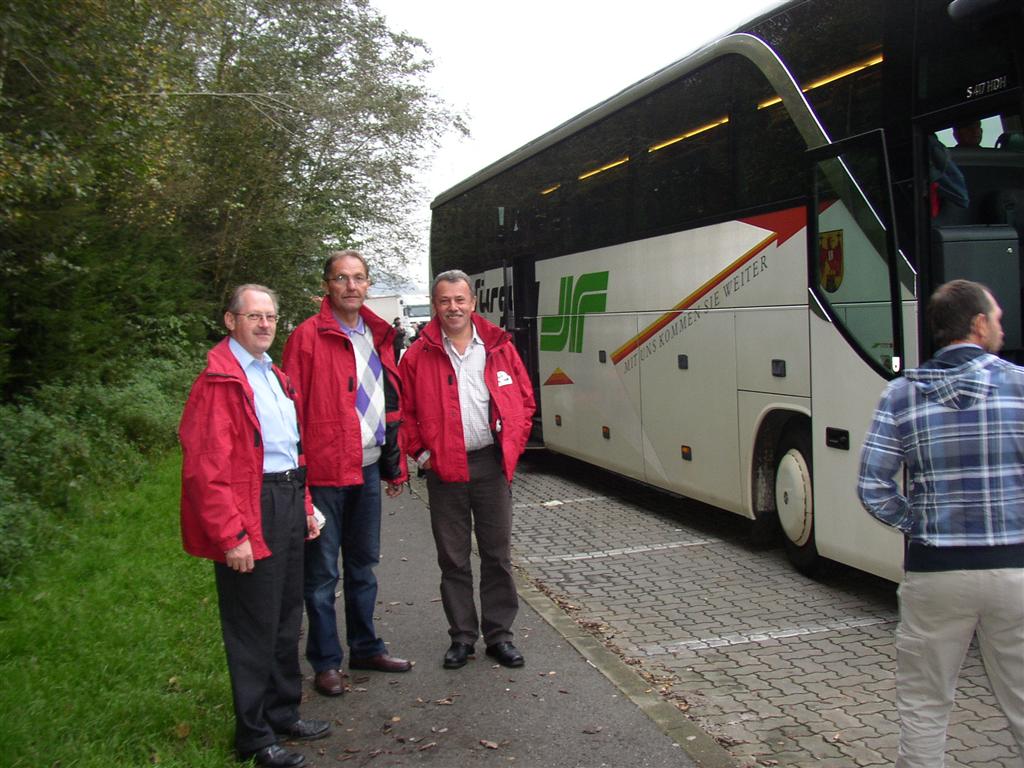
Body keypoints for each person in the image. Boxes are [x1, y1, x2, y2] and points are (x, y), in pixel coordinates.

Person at [857, 279, 1024, 768]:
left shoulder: (901, 395)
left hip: (935, 573)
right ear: (978, 324)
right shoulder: (1020, 387)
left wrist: (921, 523)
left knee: (925, 704)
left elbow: (873, 487)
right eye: (996, 318)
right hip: (1015, 571)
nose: (1000, 326)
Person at [180, 284, 329, 768]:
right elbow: (207, 468)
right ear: (231, 320)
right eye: (254, 316)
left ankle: (283, 713)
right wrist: (232, 534)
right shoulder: (218, 382)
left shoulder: (274, 375)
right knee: (252, 625)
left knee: (287, 615)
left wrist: (305, 504)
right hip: (251, 505)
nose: (265, 324)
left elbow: (291, 448)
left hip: (286, 497)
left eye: (271, 316)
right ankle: (253, 735)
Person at [282, 250, 411, 697]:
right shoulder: (306, 337)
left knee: (363, 567)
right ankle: (326, 662)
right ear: (327, 285)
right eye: (342, 278)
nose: (351, 286)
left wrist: (394, 464)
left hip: (369, 469)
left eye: (358, 278)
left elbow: (389, 403)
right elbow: (291, 410)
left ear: (368, 284)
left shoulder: (378, 335)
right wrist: (298, 477)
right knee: (320, 577)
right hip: (323, 473)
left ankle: (365, 647)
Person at [399, 269, 536, 670]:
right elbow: (404, 414)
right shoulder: (417, 355)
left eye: (460, 300)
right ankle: (462, 637)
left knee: (497, 555)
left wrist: (511, 445)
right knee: (453, 559)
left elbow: (524, 402)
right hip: (445, 470)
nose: (453, 308)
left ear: (473, 303)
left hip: (489, 466)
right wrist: (423, 457)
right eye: (444, 301)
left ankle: (499, 636)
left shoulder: (497, 347)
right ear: (435, 305)